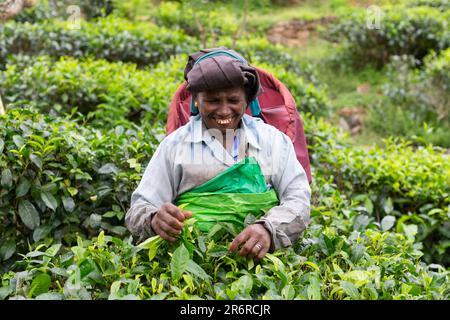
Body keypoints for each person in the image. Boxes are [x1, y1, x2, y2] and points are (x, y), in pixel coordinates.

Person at [125, 48, 311, 260]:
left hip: (262, 265)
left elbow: (298, 200)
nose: (224, 111)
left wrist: (269, 229)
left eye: (233, 100)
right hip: (190, 267)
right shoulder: (175, 146)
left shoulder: (273, 141)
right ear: (196, 100)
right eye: (213, 101)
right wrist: (154, 219)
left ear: (247, 100)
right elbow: (138, 208)